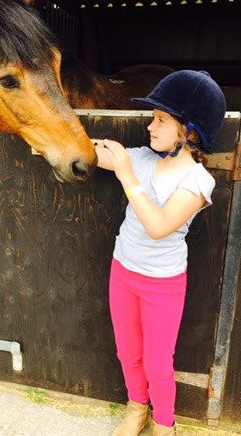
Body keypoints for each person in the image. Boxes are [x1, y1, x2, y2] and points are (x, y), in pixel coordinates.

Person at [95, 70, 226, 436]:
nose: (150, 126)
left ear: (191, 133)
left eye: (161, 120)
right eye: (153, 118)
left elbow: (159, 226)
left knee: (158, 364)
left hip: (162, 284)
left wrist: (126, 175)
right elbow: (87, 151)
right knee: (127, 353)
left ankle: (164, 424)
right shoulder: (142, 159)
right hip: (123, 271)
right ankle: (137, 407)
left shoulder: (198, 181)